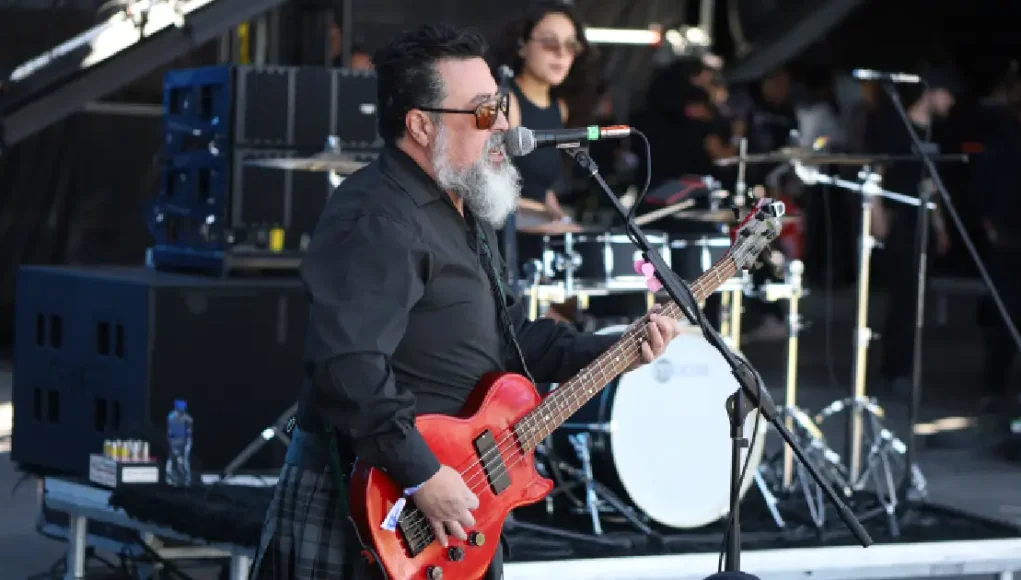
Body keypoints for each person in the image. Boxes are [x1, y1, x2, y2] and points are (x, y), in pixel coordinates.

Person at [248, 24, 683, 580]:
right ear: (421, 124)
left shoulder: (465, 210)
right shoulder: (378, 216)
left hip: (453, 495)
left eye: (500, 106)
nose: (502, 125)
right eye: (483, 111)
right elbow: (347, 366)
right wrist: (422, 474)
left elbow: (509, 341)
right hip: (374, 502)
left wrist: (618, 348)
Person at [490, 1, 596, 284]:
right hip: (506, 246)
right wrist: (549, 224)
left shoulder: (560, 109)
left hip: (539, 241)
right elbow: (484, 192)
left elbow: (539, 187)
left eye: (571, 45)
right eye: (549, 43)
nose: (561, 53)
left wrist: (563, 220)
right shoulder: (506, 102)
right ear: (522, 45)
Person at [865, 76, 955, 394]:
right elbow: (875, 172)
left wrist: (940, 225)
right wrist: (877, 217)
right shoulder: (897, 128)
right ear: (930, 93)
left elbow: (932, 183)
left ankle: (905, 366)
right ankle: (894, 369)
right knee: (903, 297)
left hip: (923, 220)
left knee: (917, 297)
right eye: (947, 93)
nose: (951, 102)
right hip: (899, 218)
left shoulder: (933, 132)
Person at [974, 103, 1021, 411]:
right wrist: (991, 225)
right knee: (1003, 315)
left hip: (1006, 238)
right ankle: (995, 386)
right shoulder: (1003, 147)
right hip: (1007, 241)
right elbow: (984, 188)